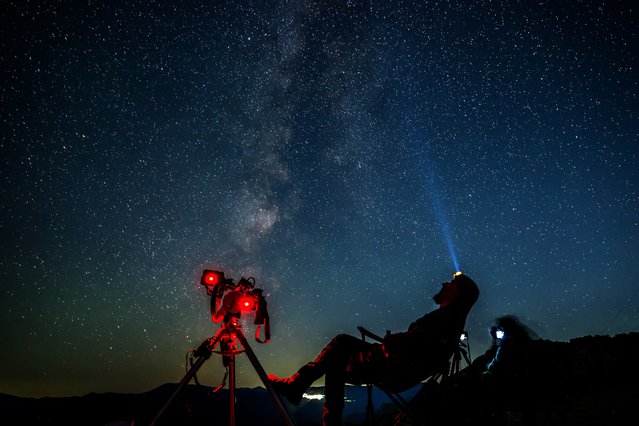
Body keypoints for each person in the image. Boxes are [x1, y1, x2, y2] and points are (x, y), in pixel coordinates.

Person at [268, 272, 480, 426]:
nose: (444, 283)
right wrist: (396, 341)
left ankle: (298, 386)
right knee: (339, 351)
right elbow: (420, 345)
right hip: (396, 364)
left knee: (338, 352)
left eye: (451, 283)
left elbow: (416, 344)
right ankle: (304, 393)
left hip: (392, 367)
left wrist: (392, 340)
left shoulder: (443, 320)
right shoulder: (449, 322)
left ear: (457, 293)